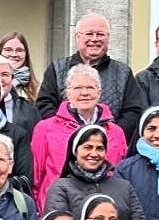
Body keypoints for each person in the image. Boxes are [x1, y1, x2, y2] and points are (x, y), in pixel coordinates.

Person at [31, 64, 130, 204]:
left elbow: (121, 175)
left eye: (90, 88)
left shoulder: (116, 132)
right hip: (58, 207)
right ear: (68, 93)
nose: (84, 93)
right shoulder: (45, 129)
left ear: (99, 93)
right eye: (78, 88)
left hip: (105, 208)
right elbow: (36, 177)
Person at [36, 12, 143, 140]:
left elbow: (133, 111)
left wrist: (108, 136)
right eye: (89, 34)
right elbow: (45, 105)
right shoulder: (57, 69)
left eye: (100, 34)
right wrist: (68, 135)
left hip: (109, 144)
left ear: (108, 38)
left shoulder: (123, 72)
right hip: (63, 143)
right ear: (77, 37)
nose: (94, 39)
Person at [45, 124, 149, 220]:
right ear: (75, 151)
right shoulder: (61, 188)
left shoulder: (124, 187)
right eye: (87, 147)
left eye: (100, 148)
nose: (94, 154)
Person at [0, 30, 40, 109]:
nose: (14, 54)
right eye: (8, 50)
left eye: (19, 50)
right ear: (0, 52)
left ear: (26, 54)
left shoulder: (37, 88)